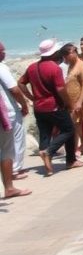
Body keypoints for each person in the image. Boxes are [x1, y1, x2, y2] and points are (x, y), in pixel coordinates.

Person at [17, 39, 83, 176]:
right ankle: (67, 159)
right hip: (54, 107)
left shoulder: (32, 67)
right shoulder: (54, 68)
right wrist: (70, 104)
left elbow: (21, 83)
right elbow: (60, 89)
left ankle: (48, 167)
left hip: (39, 108)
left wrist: (32, 98)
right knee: (69, 130)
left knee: (45, 134)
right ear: (54, 53)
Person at [0, 40, 30, 197]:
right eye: (2, 51)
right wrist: (24, 104)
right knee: (7, 150)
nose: (4, 53)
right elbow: (15, 89)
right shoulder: (1, 68)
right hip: (7, 113)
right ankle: (10, 185)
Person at [61, 43, 83, 157]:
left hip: (80, 100)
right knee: (76, 124)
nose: (65, 59)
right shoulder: (71, 65)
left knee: (76, 124)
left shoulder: (81, 65)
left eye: (66, 56)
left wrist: (79, 101)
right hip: (73, 100)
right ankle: (80, 146)